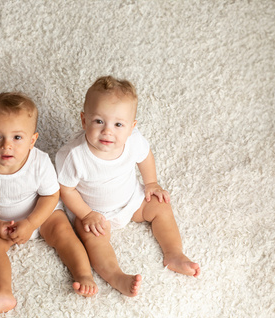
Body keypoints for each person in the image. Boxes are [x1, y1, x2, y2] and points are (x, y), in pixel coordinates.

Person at [56, 76, 200, 297]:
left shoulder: (133, 140)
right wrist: (86, 214)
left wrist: (151, 182)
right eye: (98, 121)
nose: (108, 131)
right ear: (84, 120)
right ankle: (116, 276)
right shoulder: (74, 155)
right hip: (94, 213)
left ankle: (174, 253)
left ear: (132, 127)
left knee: (161, 206)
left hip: (132, 199)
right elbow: (65, 189)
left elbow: (145, 157)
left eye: (118, 124)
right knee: (93, 241)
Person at [0, 92, 97, 317]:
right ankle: (2, 291)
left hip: (41, 214)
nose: (6, 146)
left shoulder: (39, 162)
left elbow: (51, 196)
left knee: (64, 232)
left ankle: (83, 274)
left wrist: (32, 223)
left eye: (17, 138)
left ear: (32, 140)